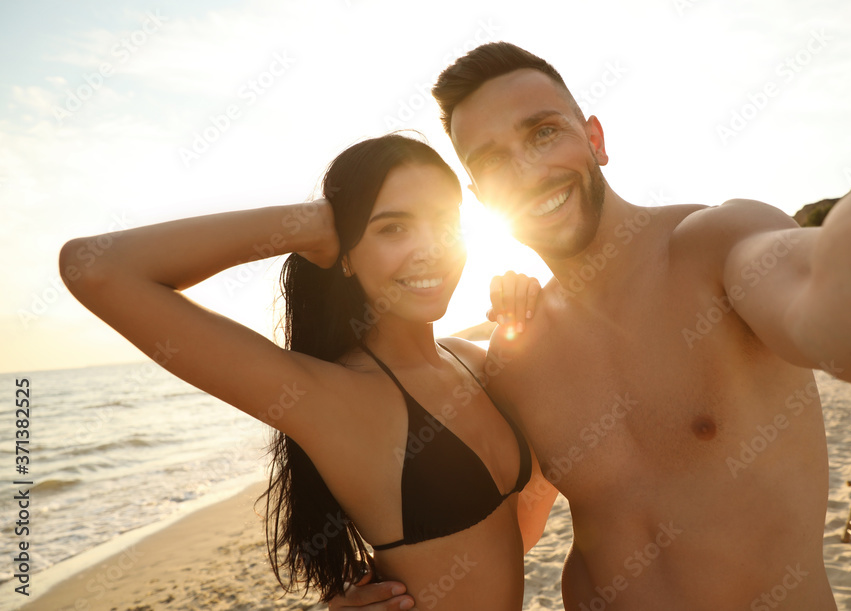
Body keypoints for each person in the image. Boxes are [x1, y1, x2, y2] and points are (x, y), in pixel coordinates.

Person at [335, 38, 851, 611]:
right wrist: (392, 589)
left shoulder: (714, 244)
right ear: (481, 198)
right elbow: (517, 529)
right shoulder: (519, 346)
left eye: (543, 132)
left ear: (593, 138)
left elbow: (838, 304)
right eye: (493, 161)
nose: (530, 169)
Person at [59, 133, 558, 610]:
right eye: (392, 228)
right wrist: (309, 226)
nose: (431, 248)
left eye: (445, 222)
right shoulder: (330, 398)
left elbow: (514, 536)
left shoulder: (470, 360)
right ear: (344, 258)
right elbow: (94, 268)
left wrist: (525, 336)